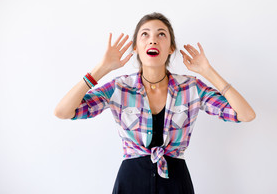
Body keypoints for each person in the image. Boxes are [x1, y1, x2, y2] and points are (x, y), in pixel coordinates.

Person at [54, 12, 256, 194]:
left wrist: (208, 72)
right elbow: (63, 111)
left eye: (161, 34)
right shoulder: (119, 87)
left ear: (171, 48)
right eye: (145, 34)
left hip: (176, 183)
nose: (153, 40)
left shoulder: (191, 87)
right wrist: (101, 68)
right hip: (131, 182)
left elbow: (246, 114)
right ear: (135, 48)